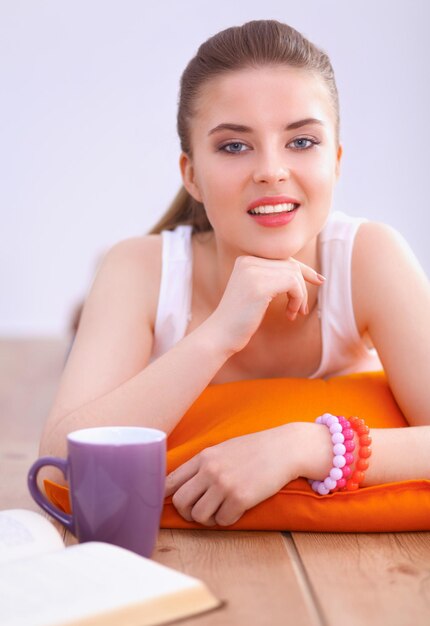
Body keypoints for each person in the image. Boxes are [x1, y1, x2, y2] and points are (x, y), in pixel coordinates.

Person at [40, 20, 430, 527]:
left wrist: (304, 444)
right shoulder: (138, 267)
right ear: (192, 175)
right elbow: (60, 468)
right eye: (233, 146)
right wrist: (218, 333)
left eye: (302, 142)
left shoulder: (369, 258)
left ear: (335, 162)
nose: (271, 170)